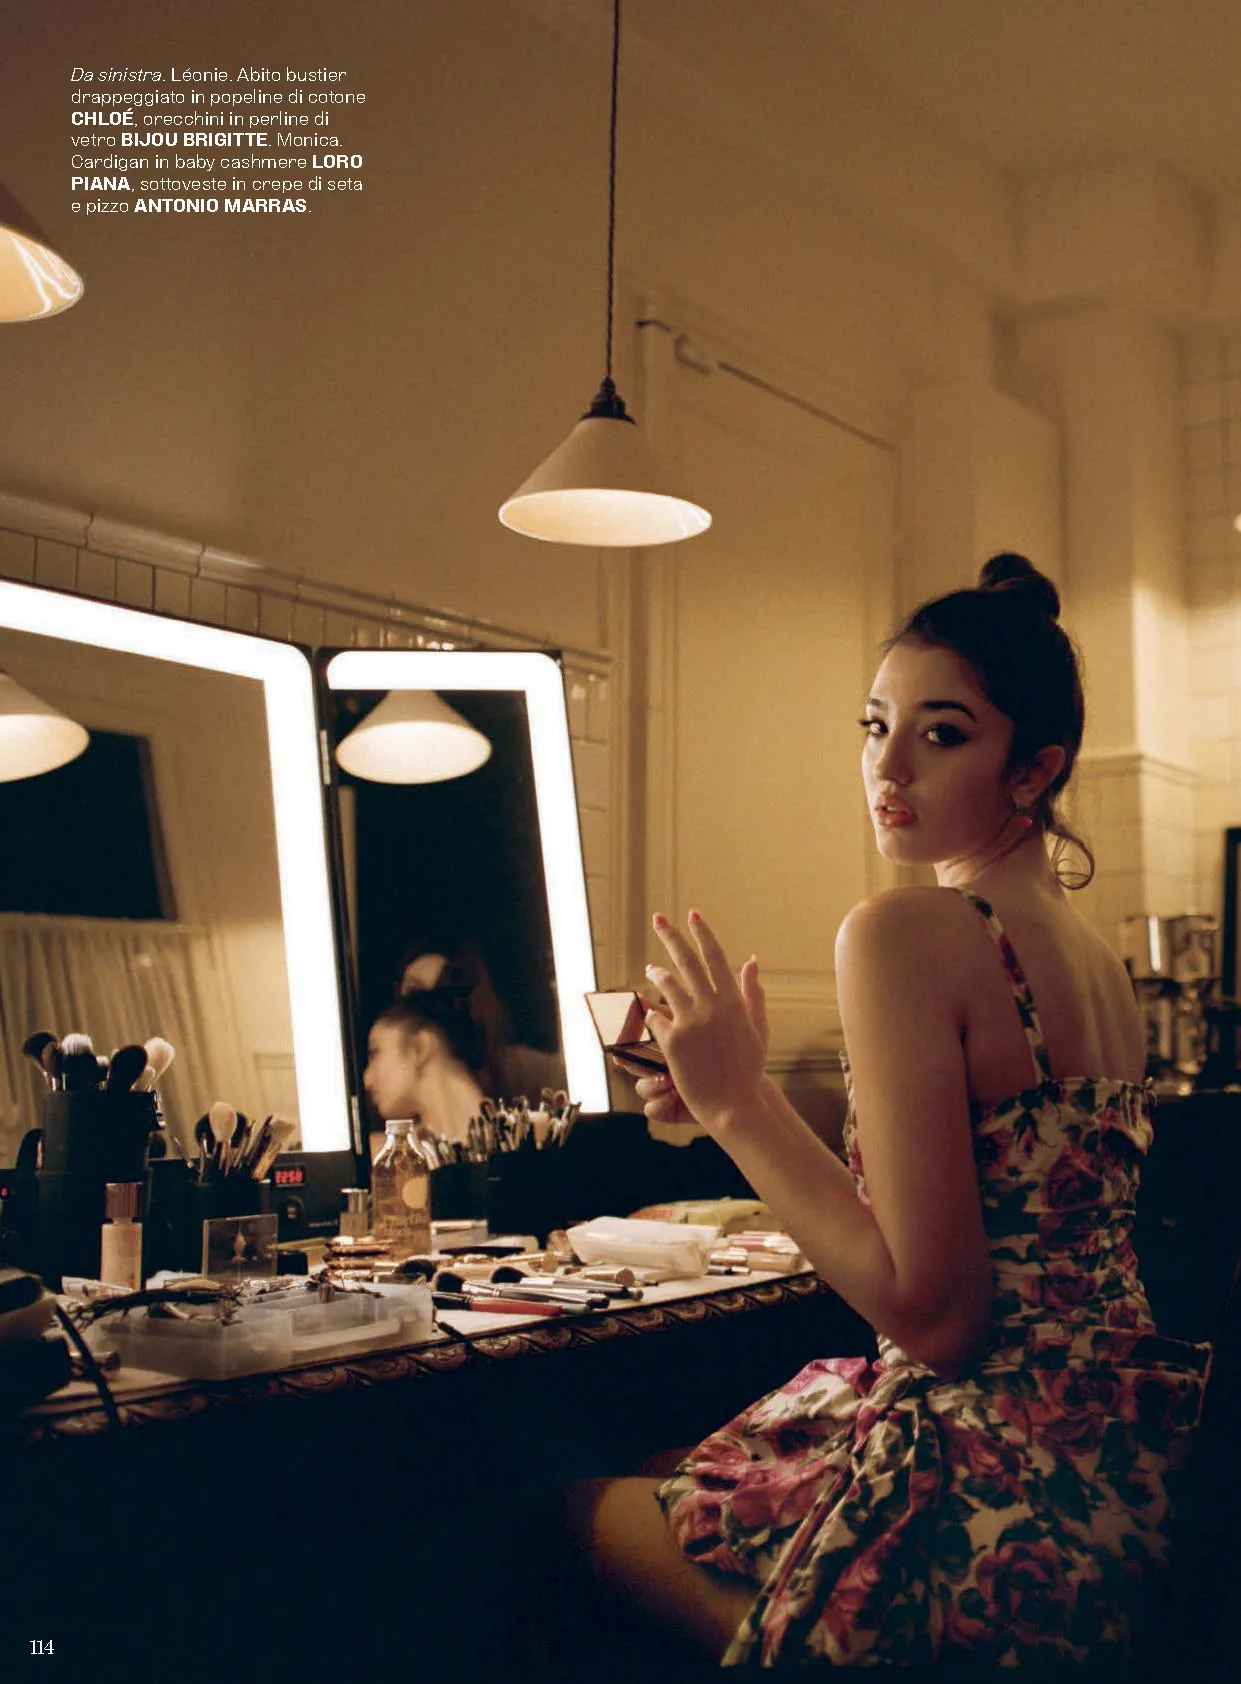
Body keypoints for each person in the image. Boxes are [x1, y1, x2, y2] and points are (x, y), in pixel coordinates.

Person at [562, 555, 1210, 1668]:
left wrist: (736, 1103)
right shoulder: (1089, 957)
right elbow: (973, 1208)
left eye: (940, 734)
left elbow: (938, 1319)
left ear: (1034, 769)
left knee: (557, 1511)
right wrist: (736, 1093)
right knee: (673, 1469)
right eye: (874, 725)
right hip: (1121, 1482)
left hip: (990, 1503)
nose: (887, 764)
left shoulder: (902, 933)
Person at [395, 934, 566, 1104]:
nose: (438, 1012)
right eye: (418, 998)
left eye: (453, 993)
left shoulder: (528, 1074)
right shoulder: (394, 1087)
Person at [362, 985, 486, 1146]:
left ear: (419, 1048)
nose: (367, 1080)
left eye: (375, 1052)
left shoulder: (512, 1138)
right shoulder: (385, 1153)